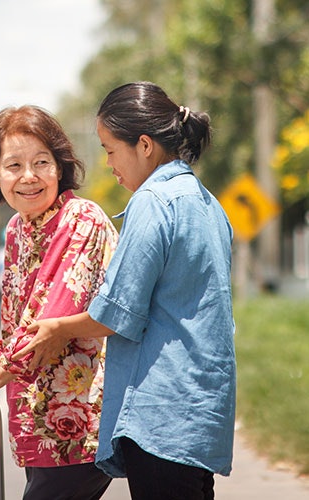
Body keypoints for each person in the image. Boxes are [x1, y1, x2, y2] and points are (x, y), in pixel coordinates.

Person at [14, 81, 236, 500]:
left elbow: (116, 313)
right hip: (201, 412)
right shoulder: (207, 202)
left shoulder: (153, 201)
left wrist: (57, 328)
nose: (109, 164)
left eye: (111, 149)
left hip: (161, 415)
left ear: (145, 146)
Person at [0, 105, 118, 500]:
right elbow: (18, 328)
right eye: (14, 165)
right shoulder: (17, 228)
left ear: (60, 168)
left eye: (41, 162)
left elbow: (46, 328)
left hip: (82, 419)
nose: (28, 177)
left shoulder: (81, 220)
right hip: (36, 415)